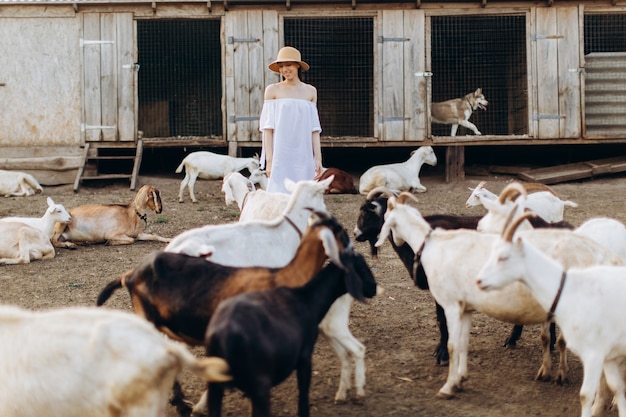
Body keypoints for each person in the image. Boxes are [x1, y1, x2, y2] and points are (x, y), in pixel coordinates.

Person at [259, 46, 323, 194]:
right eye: (281, 66)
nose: (284, 69)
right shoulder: (272, 90)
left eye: (288, 65)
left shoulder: (311, 91)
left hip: (303, 153)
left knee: (303, 196)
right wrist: (270, 160)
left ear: (297, 65)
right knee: (278, 196)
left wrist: (318, 159)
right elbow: (267, 128)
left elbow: (315, 129)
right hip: (280, 153)